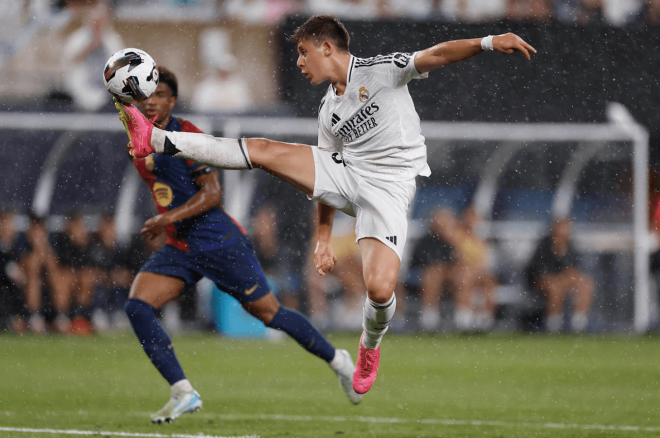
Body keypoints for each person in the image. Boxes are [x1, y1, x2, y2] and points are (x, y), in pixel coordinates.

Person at [116, 15, 536, 394]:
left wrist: (487, 41)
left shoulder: (382, 70)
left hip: (389, 189)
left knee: (380, 288)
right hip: (349, 175)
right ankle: (156, 139)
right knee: (263, 149)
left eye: (302, 53)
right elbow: (323, 178)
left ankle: (369, 346)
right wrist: (323, 238)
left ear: (327, 47)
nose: (299, 63)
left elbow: (439, 54)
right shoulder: (328, 112)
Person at [122, 66, 361, 424]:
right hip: (181, 247)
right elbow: (124, 106)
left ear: (172, 100)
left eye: (160, 95)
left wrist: (167, 219)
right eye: (147, 96)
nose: (152, 102)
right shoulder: (140, 132)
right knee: (138, 307)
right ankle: (182, 391)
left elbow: (213, 193)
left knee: (270, 314)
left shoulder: (186, 136)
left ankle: (338, 360)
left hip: (219, 242)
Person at [525, 217, 594, 333]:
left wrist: (567, 276)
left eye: (566, 228)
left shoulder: (570, 246)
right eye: (562, 228)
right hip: (544, 282)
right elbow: (538, 270)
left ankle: (579, 323)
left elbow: (574, 268)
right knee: (555, 286)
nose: (565, 231)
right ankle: (554, 324)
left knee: (585, 283)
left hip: (564, 281)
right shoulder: (544, 245)